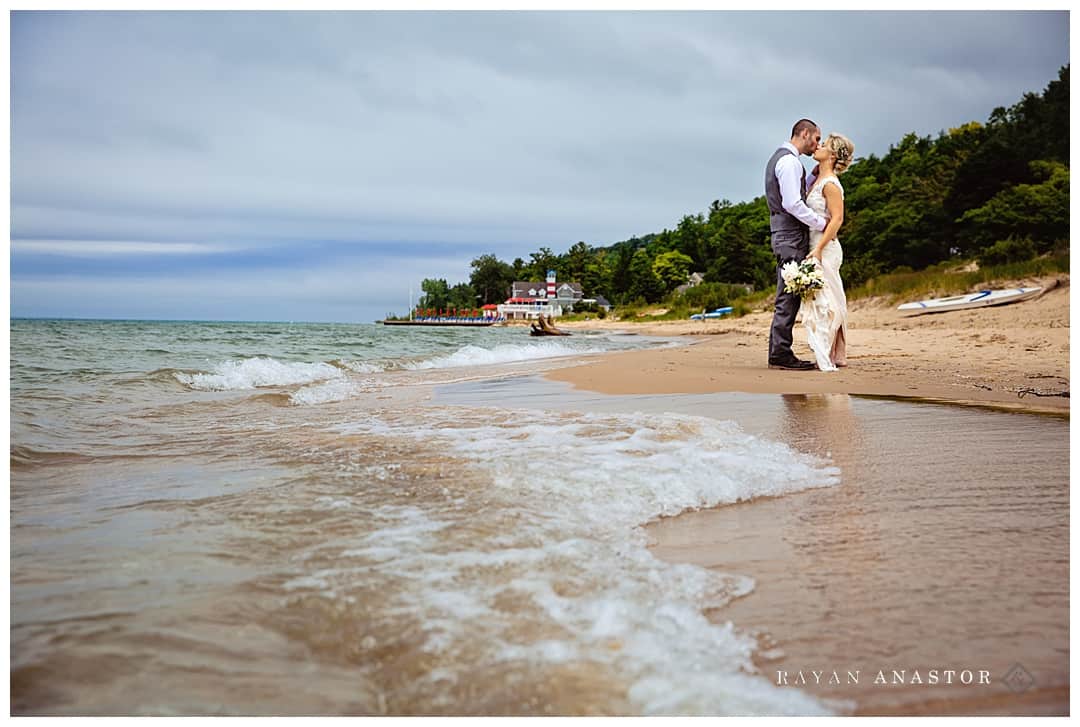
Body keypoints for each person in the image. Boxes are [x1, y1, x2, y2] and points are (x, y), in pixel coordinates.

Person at [765, 119, 828, 370]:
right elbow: (792, 203)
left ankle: (779, 351)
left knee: (788, 293)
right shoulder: (790, 162)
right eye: (816, 138)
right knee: (788, 295)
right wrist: (820, 223)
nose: (817, 144)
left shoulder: (781, 159)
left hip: (782, 233)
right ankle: (780, 354)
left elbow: (794, 195)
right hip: (790, 235)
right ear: (804, 133)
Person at [802, 133, 855, 372]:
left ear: (832, 155)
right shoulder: (817, 179)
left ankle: (831, 353)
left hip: (826, 248)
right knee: (826, 300)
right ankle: (837, 353)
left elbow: (837, 219)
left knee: (830, 302)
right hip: (815, 246)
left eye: (823, 145)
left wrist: (819, 248)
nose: (818, 146)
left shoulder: (831, 184)